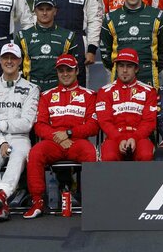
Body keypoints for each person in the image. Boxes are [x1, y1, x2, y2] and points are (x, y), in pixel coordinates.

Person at [23, 54, 99, 219]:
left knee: (91, 153)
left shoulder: (89, 95)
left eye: (69, 70)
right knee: (34, 153)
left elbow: (93, 126)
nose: (65, 74)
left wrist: (69, 134)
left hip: (77, 142)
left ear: (77, 71)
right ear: (57, 73)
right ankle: (37, 202)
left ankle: (92, 201)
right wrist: (58, 137)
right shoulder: (47, 95)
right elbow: (39, 125)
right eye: (61, 70)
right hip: (54, 143)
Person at [0, 43, 39, 222]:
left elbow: (26, 124)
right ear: (0, 60)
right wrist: (1, 141)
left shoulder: (32, 88)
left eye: (13, 58)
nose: (9, 61)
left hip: (19, 138)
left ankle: (0, 196)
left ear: (20, 61)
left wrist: (0, 124)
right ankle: (1, 203)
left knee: (18, 156)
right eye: (6, 57)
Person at [99, 0, 163, 89]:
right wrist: (120, 68)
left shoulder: (157, 16)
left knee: (149, 107)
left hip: (148, 76)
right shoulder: (110, 18)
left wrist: (151, 67)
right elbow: (105, 53)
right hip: (120, 77)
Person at [96, 49, 157, 162]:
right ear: (116, 68)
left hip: (140, 137)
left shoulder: (149, 91)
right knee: (109, 156)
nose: (124, 70)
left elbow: (149, 121)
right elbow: (104, 121)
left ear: (136, 69)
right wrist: (119, 139)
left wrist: (135, 137)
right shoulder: (104, 91)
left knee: (146, 155)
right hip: (114, 137)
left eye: (129, 66)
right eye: (121, 66)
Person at [14, 0, 77, 92]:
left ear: (55, 11)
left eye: (48, 9)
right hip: (30, 90)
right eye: (41, 9)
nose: (44, 13)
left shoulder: (68, 36)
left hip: (59, 90)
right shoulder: (23, 36)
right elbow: (16, 69)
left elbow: (74, 69)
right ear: (35, 11)